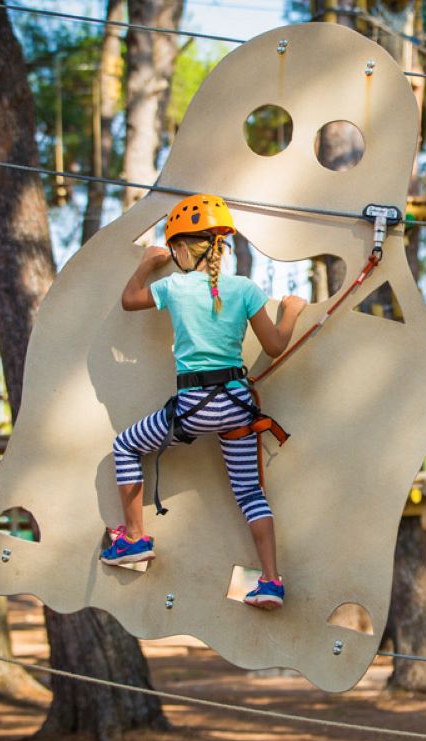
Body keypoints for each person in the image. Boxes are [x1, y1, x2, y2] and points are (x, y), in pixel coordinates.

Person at [100, 193, 307, 610]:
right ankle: (270, 581)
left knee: (126, 445)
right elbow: (275, 343)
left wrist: (145, 265)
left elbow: (129, 300)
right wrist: (292, 310)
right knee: (250, 492)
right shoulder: (245, 289)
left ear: (178, 248)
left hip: (192, 410)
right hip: (236, 406)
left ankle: (133, 540)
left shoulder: (174, 286)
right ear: (221, 247)